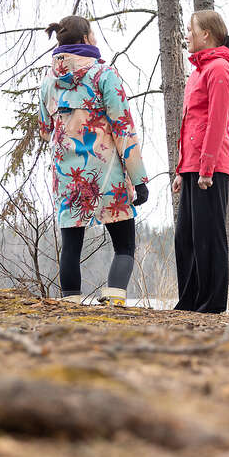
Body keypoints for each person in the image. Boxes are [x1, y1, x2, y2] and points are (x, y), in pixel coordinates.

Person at [37, 16, 150, 306]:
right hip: (107, 172)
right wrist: (139, 178)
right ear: (87, 38)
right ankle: (114, 300)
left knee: (71, 245)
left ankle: (70, 302)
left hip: (69, 174)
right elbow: (123, 127)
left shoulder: (48, 82)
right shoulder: (103, 75)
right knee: (124, 244)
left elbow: (46, 130)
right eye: (94, 34)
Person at [171, 9, 229, 313]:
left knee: (208, 238)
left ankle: (211, 305)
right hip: (191, 167)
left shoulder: (219, 70)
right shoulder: (198, 72)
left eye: (190, 29)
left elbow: (216, 122)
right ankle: (189, 301)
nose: (186, 35)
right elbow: (189, 124)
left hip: (210, 169)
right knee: (185, 237)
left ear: (206, 35)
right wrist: (180, 169)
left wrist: (206, 168)